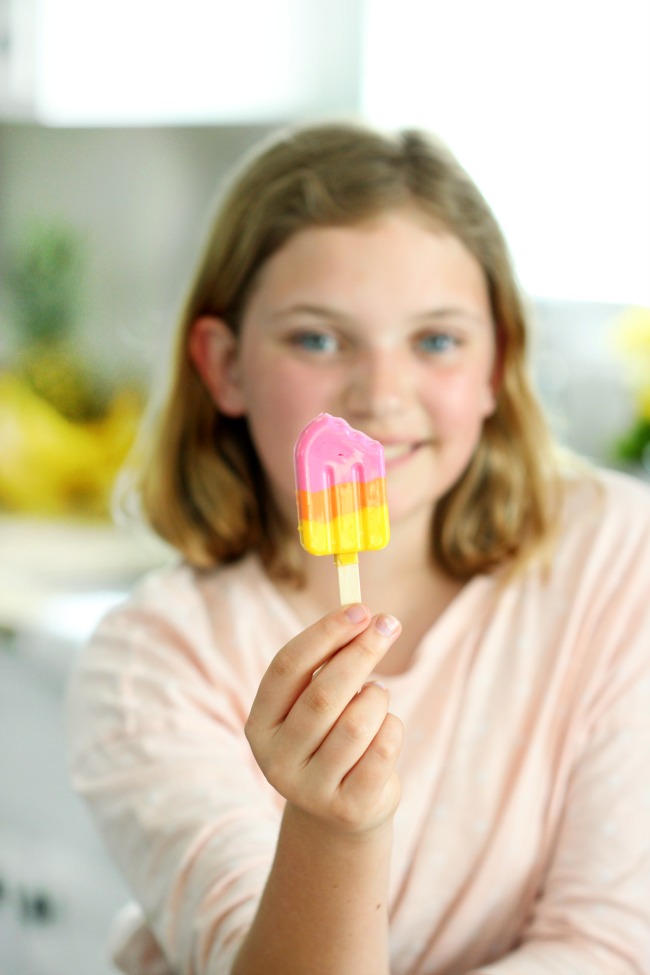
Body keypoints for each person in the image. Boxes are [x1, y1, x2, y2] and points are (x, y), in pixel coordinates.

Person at [65, 120, 650, 975]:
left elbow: (610, 944)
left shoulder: (617, 557)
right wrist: (335, 829)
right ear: (222, 365)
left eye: (437, 341)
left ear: (497, 364)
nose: (379, 395)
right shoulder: (154, 661)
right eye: (318, 338)